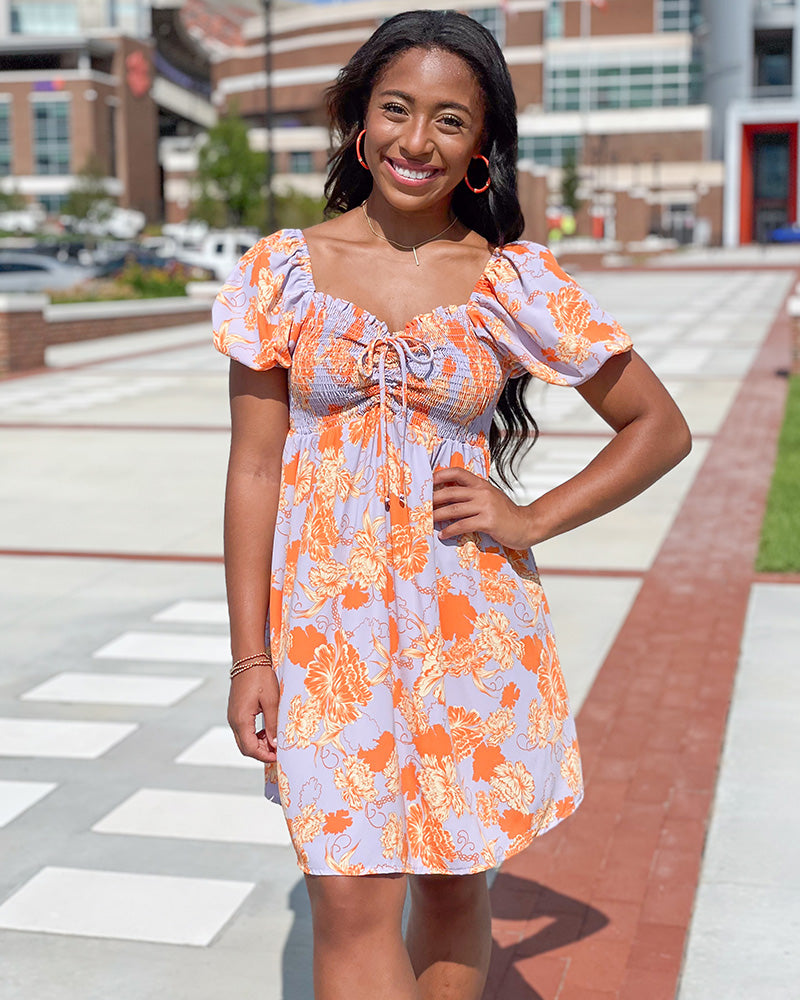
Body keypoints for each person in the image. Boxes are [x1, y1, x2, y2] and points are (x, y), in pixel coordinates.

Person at [212, 10, 691, 1000]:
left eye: (448, 120)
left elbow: (658, 426)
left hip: (468, 623)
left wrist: (529, 518)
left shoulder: (509, 279)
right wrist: (250, 657)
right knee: (348, 900)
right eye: (395, 109)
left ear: (481, 147)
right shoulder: (281, 273)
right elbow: (254, 471)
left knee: (447, 883)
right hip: (326, 635)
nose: (415, 141)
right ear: (359, 119)